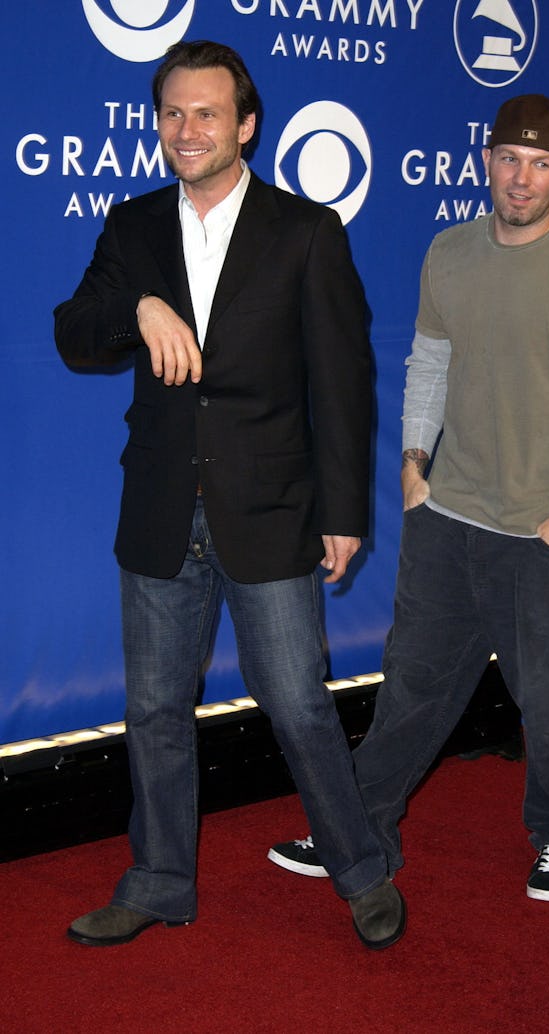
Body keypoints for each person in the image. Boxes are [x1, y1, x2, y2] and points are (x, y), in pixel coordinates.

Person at [54, 40, 405, 951]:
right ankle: (160, 880)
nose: (186, 130)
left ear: (245, 124)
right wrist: (137, 307)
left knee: (297, 704)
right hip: (163, 509)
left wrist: (342, 512)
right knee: (154, 712)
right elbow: (74, 335)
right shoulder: (131, 230)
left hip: (272, 507)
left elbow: (344, 380)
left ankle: (361, 868)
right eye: (171, 113)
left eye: (206, 113)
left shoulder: (304, 231)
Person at [268, 94, 549, 903]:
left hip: (546, 532)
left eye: (541, 164)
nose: (522, 178)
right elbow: (431, 363)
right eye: (510, 159)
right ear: (486, 159)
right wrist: (416, 466)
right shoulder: (448, 251)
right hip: (448, 520)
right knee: (411, 685)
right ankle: (358, 825)